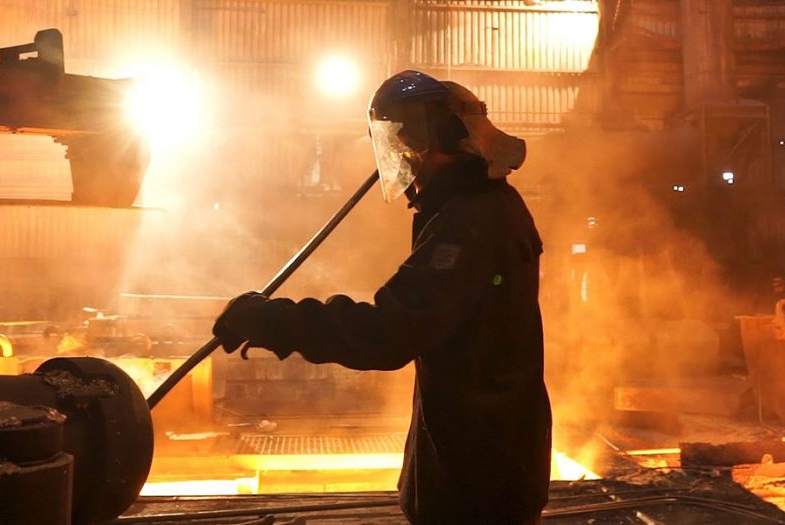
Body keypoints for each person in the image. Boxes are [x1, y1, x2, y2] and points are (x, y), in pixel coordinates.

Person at [213, 70, 552, 525]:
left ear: (439, 138)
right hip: (488, 462)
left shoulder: (470, 222)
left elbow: (388, 333)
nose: (402, 155)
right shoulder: (485, 207)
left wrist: (269, 321)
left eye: (405, 140)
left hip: (478, 481)